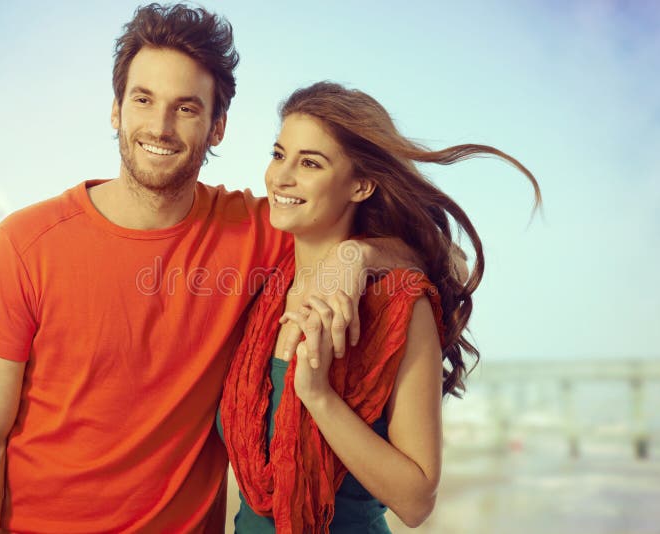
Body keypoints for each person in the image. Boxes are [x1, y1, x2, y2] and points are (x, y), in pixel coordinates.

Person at [0, 5, 418, 533]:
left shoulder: (259, 232)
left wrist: (356, 256)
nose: (160, 126)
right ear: (116, 110)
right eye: (143, 99)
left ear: (218, 126)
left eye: (187, 108)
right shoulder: (22, 246)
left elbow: (432, 255)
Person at [218, 81, 542, 533]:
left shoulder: (401, 306)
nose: (282, 176)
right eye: (278, 154)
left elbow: (416, 501)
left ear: (361, 185)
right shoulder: (261, 288)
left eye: (310, 163)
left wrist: (319, 396)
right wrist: (359, 254)